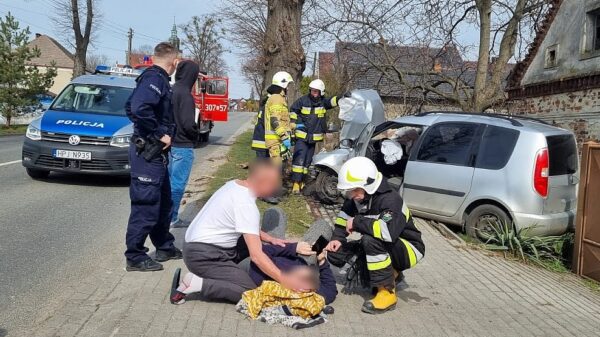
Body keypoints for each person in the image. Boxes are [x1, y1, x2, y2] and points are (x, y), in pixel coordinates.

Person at [169, 159, 314, 304]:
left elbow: (245, 224)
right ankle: (196, 284)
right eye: (275, 186)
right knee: (250, 293)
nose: (275, 191)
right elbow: (256, 256)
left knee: (260, 247)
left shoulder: (235, 185)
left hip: (198, 247)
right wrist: (284, 279)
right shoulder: (246, 205)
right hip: (203, 257)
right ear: (265, 182)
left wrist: (270, 238)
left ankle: (226, 275)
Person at [325, 157, 425, 314]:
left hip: (409, 249)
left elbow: (388, 232)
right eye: (349, 191)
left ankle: (386, 293)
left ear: (369, 185)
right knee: (336, 253)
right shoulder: (357, 198)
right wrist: (337, 239)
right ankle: (391, 274)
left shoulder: (391, 199)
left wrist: (357, 222)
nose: (351, 195)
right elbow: (342, 221)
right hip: (386, 244)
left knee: (370, 240)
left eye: (354, 190)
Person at [124, 42, 181, 272]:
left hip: (155, 155)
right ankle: (135, 256)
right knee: (146, 205)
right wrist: (159, 133)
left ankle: (164, 246)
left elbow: (130, 107)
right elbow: (138, 109)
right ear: (174, 62)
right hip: (147, 153)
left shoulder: (154, 79)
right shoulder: (154, 79)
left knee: (164, 203)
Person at [289, 80, 345, 193]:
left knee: (307, 162)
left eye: (316, 91)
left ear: (321, 92)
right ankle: (295, 183)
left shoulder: (323, 102)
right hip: (302, 136)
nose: (314, 93)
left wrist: (342, 97)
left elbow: (332, 101)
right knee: (299, 160)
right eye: (312, 91)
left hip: (313, 139)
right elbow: (293, 110)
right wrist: (293, 123)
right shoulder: (302, 101)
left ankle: (302, 181)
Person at [249, 242, 338, 305]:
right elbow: (331, 291)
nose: (310, 270)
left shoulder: (266, 275)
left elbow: (260, 252)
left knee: (276, 217)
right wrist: (322, 260)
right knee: (322, 226)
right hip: (296, 254)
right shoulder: (313, 292)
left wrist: (294, 247)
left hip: (276, 250)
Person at [168, 60, 200, 227]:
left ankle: (165, 216)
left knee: (168, 183)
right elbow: (188, 123)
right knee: (177, 185)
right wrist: (195, 135)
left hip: (170, 144)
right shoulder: (186, 96)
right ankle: (172, 218)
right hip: (183, 145)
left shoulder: (172, 90)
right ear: (192, 75)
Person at [264, 71, 294, 165]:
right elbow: (275, 121)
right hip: (275, 141)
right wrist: (284, 137)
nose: (288, 88)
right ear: (283, 84)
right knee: (276, 170)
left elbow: (282, 120)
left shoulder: (280, 98)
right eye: (287, 85)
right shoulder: (276, 98)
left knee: (279, 170)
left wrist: (293, 126)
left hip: (278, 140)